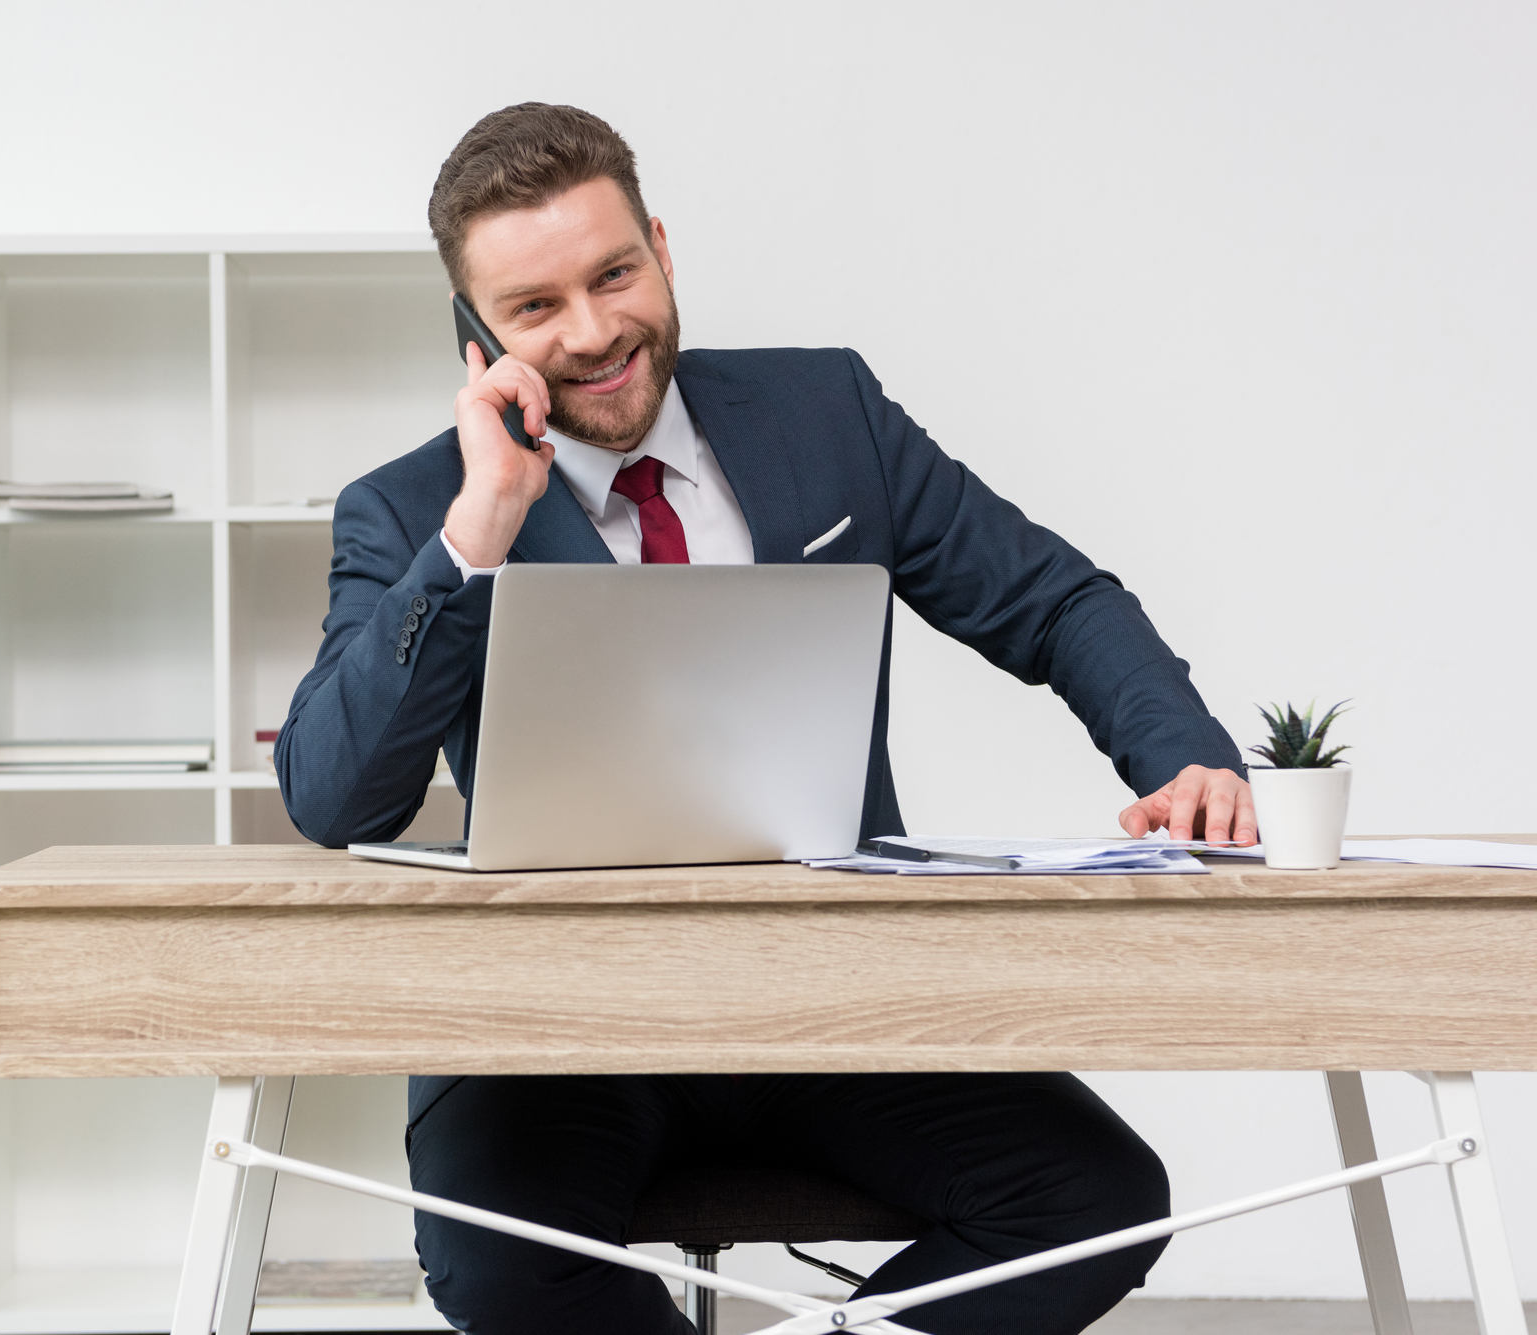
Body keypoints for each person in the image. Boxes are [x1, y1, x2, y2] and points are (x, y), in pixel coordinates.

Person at [276, 103, 1254, 1335]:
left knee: (1097, 1196)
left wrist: (1186, 759)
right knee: (501, 1267)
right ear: (475, 336)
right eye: (534, 308)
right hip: (555, 1026)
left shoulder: (826, 416)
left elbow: (1049, 600)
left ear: (662, 251)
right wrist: (475, 531)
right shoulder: (412, 508)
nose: (592, 333)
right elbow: (332, 795)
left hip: (830, 995)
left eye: (613, 274)